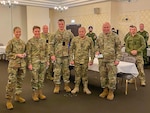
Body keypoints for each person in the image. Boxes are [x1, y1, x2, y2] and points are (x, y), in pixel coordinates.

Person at [95, 22, 122, 100]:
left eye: (107, 27)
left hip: (111, 61)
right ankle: (105, 90)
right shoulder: (100, 36)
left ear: (109, 28)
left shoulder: (114, 36)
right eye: (104, 27)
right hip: (102, 60)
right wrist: (96, 51)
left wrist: (118, 59)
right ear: (102, 28)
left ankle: (111, 91)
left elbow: (118, 48)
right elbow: (96, 45)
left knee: (112, 77)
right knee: (103, 77)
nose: (106, 29)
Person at [50, 19, 74, 93]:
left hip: (66, 55)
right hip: (57, 56)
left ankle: (66, 85)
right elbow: (51, 45)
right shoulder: (54, 34)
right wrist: (52, 54)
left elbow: (73, 42)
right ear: (58, 24)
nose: (61, 25)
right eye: (59, 24)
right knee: (57, 71)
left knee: (66, 71)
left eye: (62, 24)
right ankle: (57, 86)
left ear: (64, 24)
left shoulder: (69, 33)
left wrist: (72, 53)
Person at [5, 27, 26, 110]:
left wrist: (24, 54)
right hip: (13, 65)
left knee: (20, 81)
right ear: (14, 32)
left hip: (21, 65)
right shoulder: (11, 42)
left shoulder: (22, 42)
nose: (18, 33)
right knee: (11, 82)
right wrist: (16, 55)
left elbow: (25, 51)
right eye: (17, 32)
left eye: (19, 32)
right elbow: (7, 53)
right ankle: (8, 100)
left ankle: (18, 96)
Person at [26, 26, 49, 101]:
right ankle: (34, 94)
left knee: (41, 78)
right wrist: (29, 63)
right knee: (34, 79)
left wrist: (47, 61)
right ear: (33, 32)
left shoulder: (43, 40)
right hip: (34, 62)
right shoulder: (30, 41)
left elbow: (46, 51)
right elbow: (28, 53)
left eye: (38, 31)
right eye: (35, 31)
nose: (37, 33)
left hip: (42, 62)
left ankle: (40, 93)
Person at [70, 27, 94, 94]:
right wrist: (71, 59)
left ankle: (85, 87)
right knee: (77, 74)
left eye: (82, 31)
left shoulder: (89, 40)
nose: (81, 33)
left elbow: (92, 50)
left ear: (85, 32)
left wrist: (92, 59)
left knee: (85, 75)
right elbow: (71, 50)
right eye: (80, 31)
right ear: (78, 32)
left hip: (85, 60)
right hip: (77, 60)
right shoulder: (75, 39)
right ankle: (76, 87)